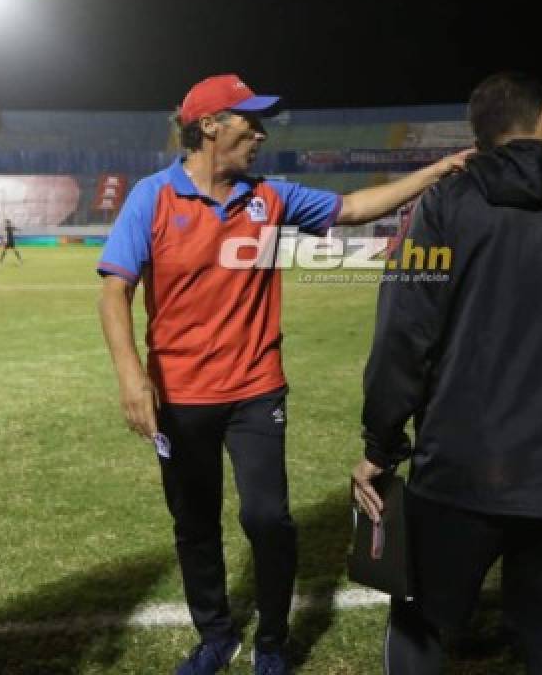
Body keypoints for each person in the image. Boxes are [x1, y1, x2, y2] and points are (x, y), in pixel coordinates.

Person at [97, 73, 471, 675]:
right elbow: (115, 291)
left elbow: (352, 208)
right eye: (251, 119)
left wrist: (436, 170)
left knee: (267, 519)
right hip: (179, 398)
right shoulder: (152, 197)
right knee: (194, 524)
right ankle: (216, 636)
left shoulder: (269, 197)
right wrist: (131, 377)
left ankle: (271, 640)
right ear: (212, 125)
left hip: (255, 392)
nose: (262, 131)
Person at [352, 71, 542, 674]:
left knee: (421, 629)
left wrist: (381, 443)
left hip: (459, 466)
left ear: (482, 138)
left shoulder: (443, 205)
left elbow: (401, 332)